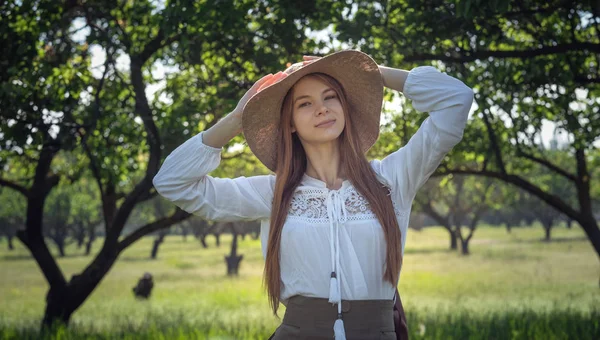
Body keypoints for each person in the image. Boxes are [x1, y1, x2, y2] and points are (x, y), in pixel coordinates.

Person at [152, 50, 474, 340]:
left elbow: (456, 99)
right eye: (304, 104)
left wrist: (371, 72)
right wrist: (238, 119)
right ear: (290, 123)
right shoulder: (272, 193)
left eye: (330, 97)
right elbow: (172, 181)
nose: (321, 109)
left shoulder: (392, 179)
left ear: (344, 108)